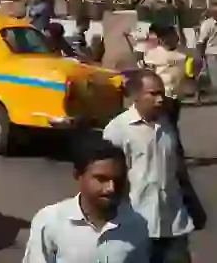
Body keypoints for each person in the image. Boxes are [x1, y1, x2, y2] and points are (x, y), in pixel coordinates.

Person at [103, 71, 205, 263]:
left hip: (173, 222)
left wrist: (194, 205)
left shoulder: (167, 125)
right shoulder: (117, 130)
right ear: (135, 96)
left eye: (162, 93)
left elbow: (177, 169)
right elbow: (109, 177)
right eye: (153, 93)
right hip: (136, 224)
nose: (160, 99)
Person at [22, 136, 149, 262]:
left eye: (118, 180)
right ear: (78, 175)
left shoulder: (136, 225)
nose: (111, 188)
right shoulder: (50, 221)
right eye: (101, 179)